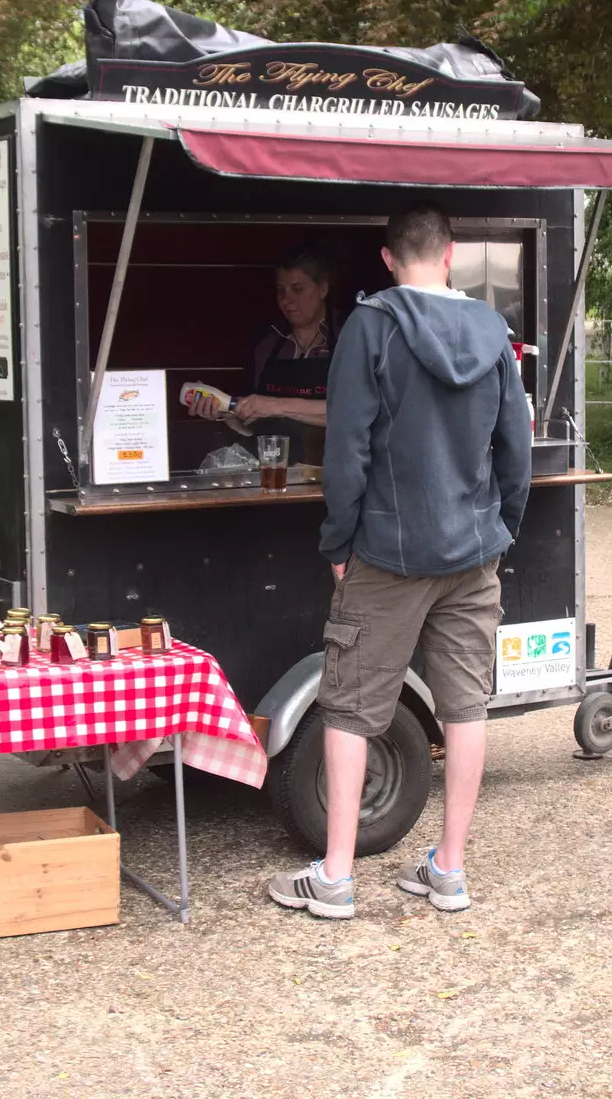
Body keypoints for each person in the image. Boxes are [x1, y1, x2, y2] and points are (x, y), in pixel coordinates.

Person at [267, 202, 531, 920]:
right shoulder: (493, 331)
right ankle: (449, 869)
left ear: (388, 259)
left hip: (385, 552)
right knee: (467, 704)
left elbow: (347, 451)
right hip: (473, 550)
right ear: (449, 256)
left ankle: (336, 878)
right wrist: (501, 525)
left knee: (350, 707)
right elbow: (517, 446)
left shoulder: (370, 327)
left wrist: (338, 545)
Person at [186, 245, 336, 464]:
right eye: (281, 291)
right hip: (274, 474)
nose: (287, 300)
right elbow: (252, 427)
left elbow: (350, 412)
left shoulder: (348, 339)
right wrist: (225, 413)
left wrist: (276, 405)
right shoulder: (267, 345)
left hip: (333, 474)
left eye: (298, 289)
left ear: (322, 288)